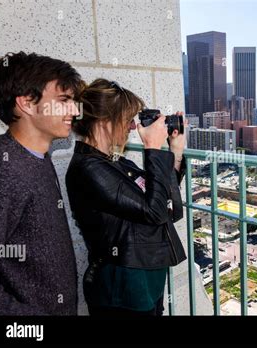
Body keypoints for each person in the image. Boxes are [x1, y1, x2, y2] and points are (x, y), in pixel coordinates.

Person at [66, 78, 187, 316]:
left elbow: (162, 201)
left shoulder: (116, 162)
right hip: (121, 289)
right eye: (127, 119)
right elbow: (154, 212)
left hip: (145, 279)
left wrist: (176, 151)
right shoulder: (89, 168)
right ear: (103, 121)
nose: (133, 127)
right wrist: (152, 147)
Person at [0, 51, 82, 315]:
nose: (75, 110)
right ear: (26, 103)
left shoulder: (38, 156)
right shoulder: (1, 169)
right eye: (64, 100)